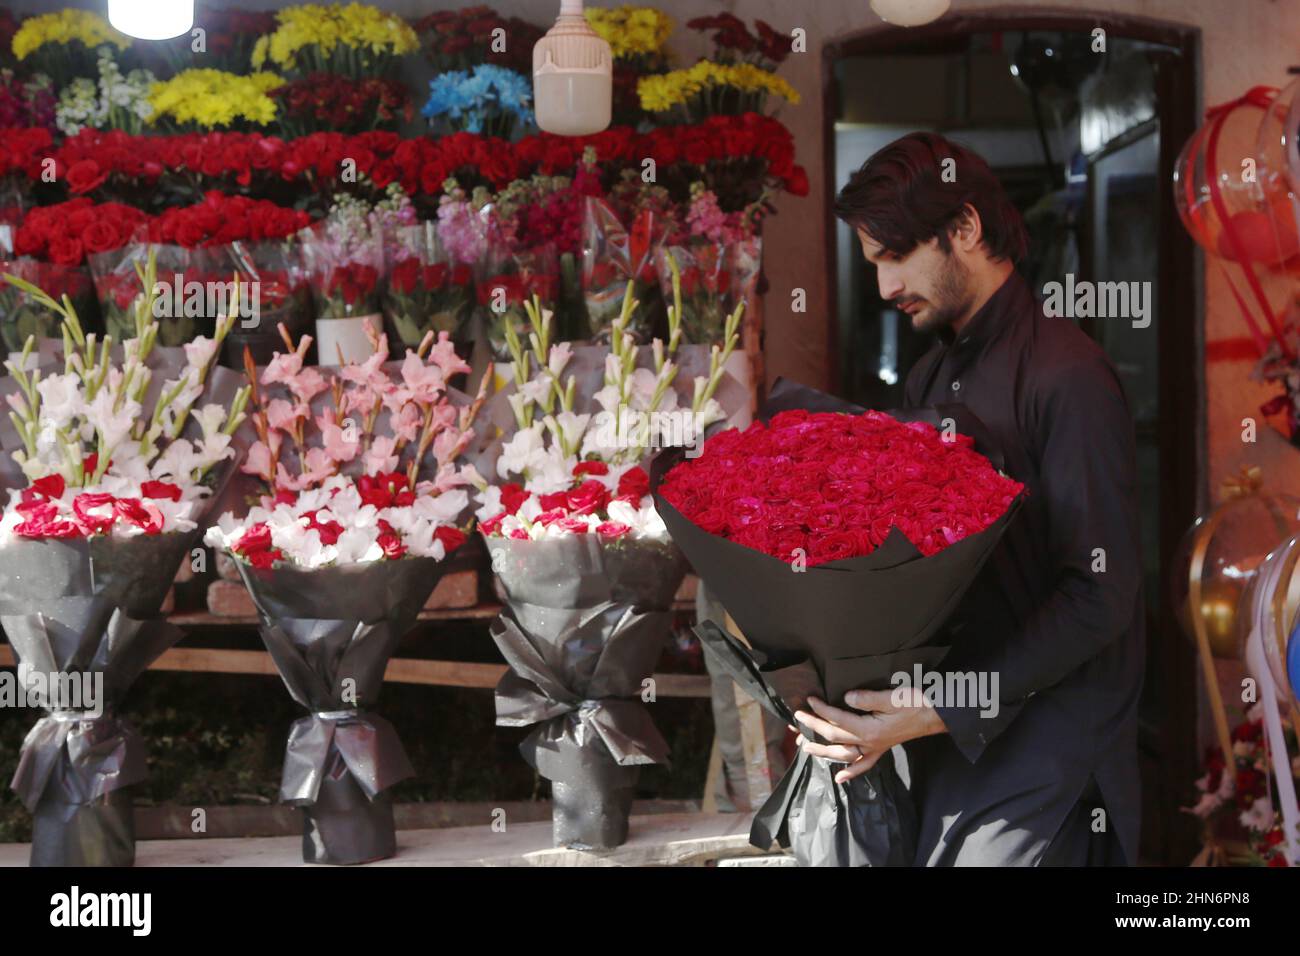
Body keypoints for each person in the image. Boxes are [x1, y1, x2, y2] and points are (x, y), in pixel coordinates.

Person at [794, 131, 1144, 865]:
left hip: (1054, 749)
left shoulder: (1066, 374)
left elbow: (1100, 596)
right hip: (953, 746)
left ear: (965, 229)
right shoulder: (926, 381)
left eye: (896, 257)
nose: (885, 289)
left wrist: (936, 709)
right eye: (875, 265)